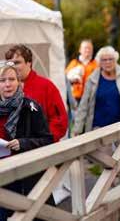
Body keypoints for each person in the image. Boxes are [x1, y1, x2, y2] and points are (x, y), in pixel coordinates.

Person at [0, 62, 54, 221]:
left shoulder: (31, 107)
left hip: (23, 175)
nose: (7, 84)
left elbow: (47, 140)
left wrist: (23, 143)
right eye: (2, 80)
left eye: (12, 79)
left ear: (19, 82)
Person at [5, 45, 68, 142]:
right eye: (10, 63)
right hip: (11, 151)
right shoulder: (5, 88)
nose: (13, 66)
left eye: (17, 62)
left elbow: (60, 121)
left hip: (41, 151)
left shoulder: (46, 86)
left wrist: (41, 141)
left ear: (29, 62)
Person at [73, 46, 120, 135]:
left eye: (110, 59)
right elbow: (83, 105)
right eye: (104, 60)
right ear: (99, 62)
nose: (108, 62)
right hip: (98, 130)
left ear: (115, 60)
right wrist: (77, 129)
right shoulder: (92, 79)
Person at [65, 39, 98, 103]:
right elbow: (65, 79)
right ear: (80, 50)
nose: (88, 50)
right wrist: (73, 80)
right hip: (75, 98)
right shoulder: (74, 63)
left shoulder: (96, 65)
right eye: (85, 48)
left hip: (91, 98)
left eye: (90, 48)